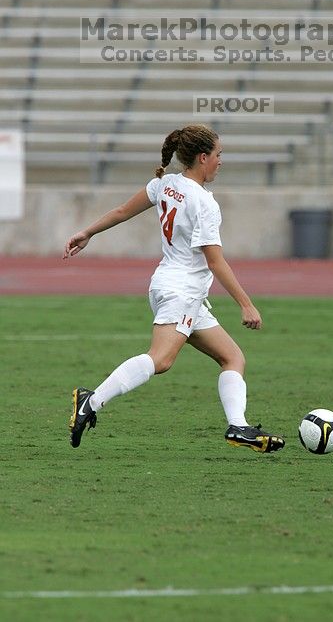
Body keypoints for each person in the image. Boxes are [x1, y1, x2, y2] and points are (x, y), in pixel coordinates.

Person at [64, 123, 285, 452]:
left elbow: (124, 210)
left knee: (232, 357)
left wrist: (88, 232)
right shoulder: (205, 203)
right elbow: (216, 262)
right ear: (202, 157)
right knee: (161, 360)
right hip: (181, 290)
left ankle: (238, 427)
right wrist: (246, 303)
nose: (221, 161)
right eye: (218, 155)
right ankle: (91, 401)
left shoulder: (165, 184)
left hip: (171, 286)